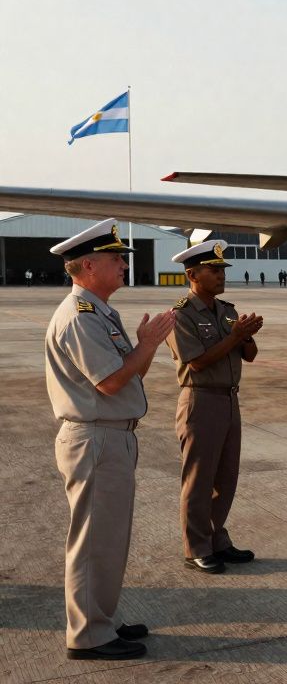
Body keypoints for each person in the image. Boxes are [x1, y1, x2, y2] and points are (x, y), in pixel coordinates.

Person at [45, 219, 176, 660]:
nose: (123, 264)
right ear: (87, 265)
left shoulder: (99, 311)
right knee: (93, 540)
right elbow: (111, 382)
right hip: (95, 440)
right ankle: (88, 635)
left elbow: (124, 370)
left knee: (109, 538)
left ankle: (101, 617)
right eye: (116, 258)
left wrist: (142, 345)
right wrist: (149, 344)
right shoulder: (80, 317)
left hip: (110, 438)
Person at [166, 241, 263, 574]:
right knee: (199, 479)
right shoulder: (181, 315)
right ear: (193, 275)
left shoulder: (227, 310)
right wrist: (235, 337)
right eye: (214, 270)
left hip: (228, 399)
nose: (221, 275)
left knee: (226, 477)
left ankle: (216, 539)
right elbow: (198, 363)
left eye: (222, 270)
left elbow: (249, 356)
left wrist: (245, 335)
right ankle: (196, 547)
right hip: (200, 399)